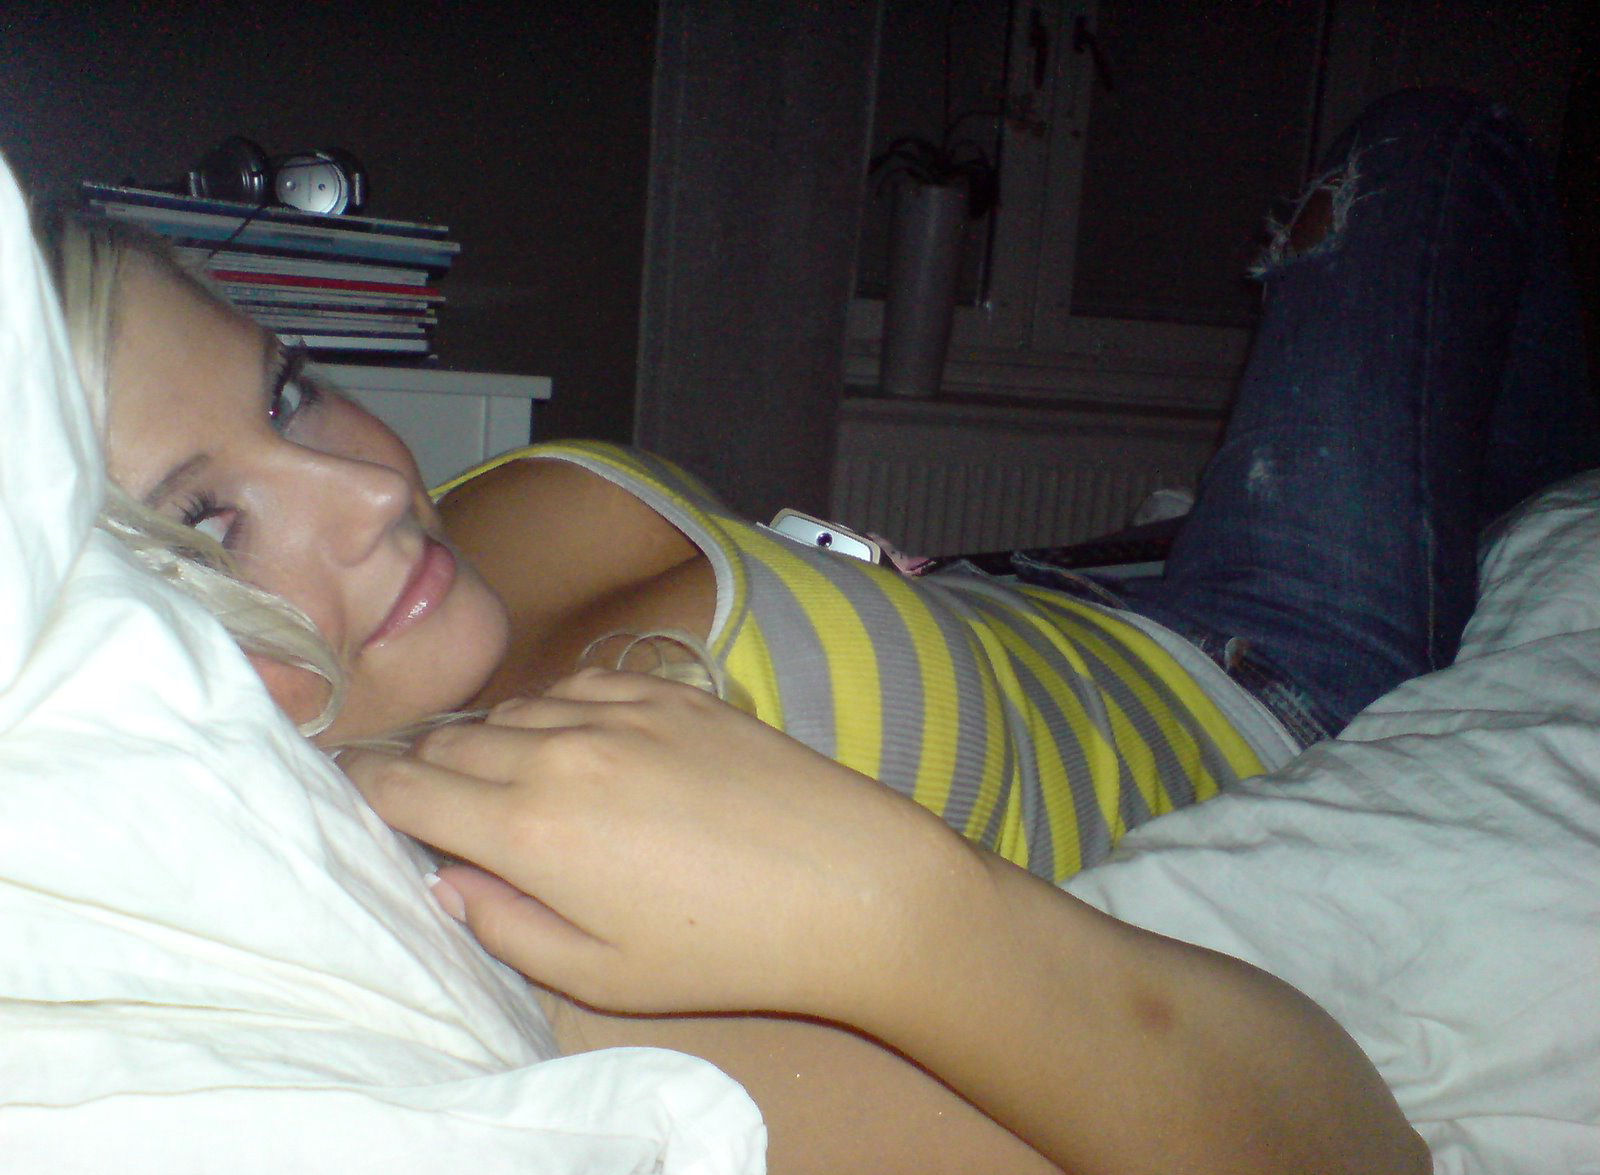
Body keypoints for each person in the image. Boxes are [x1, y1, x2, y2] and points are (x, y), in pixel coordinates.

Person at [48, 88, 1591, 1171]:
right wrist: (899, 912)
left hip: (1083, 591)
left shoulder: (446, 576)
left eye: (289, 391)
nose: (376, 488)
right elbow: (1348, 1156)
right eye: (209, 524)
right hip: (1273, 669)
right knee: (1427, 159)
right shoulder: (533, 930)